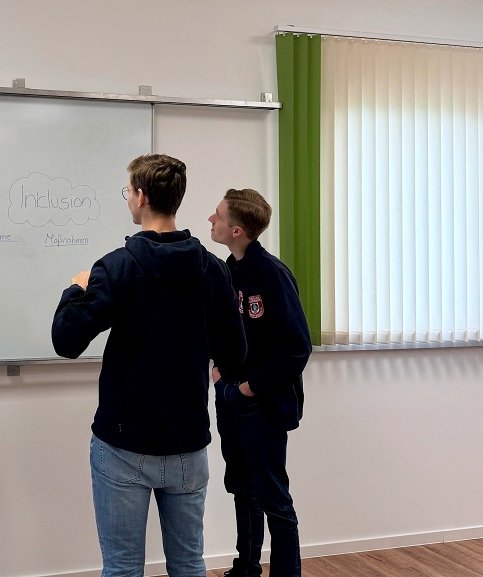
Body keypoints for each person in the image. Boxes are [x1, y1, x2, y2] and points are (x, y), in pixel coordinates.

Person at [52, 154, 247, 577]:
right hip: (188, 443)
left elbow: (66, 340)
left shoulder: (116, 267)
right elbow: (235, 356)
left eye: (129, 191)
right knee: (189, 564)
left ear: (140, 197)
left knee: (123, 567)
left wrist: (75, 290)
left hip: (123, 445)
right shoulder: (214, 270)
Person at [208, 188, 312, 577]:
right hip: (230, 396)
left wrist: (250, 387)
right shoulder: (227, 271)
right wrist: (220, 375)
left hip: (262, 403)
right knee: (241, 487)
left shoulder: (272, 274)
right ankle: (247, 568)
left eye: (218, 215)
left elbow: (297, 347)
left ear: (237, 230)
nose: (210, 220)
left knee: (274, 500)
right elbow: (223, 331)